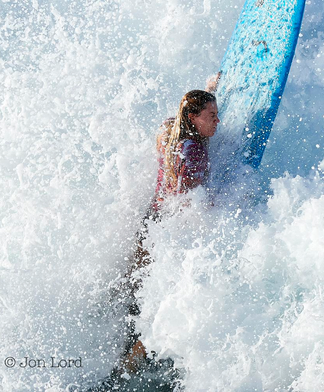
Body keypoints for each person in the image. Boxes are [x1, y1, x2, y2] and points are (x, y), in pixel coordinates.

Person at [121, 88, 220, 374]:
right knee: (155, 307)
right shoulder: (192, 153)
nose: (218, 121)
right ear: (194, 117)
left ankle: (122, 355)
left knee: (135, 302)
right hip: (162, 234)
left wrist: (210, 89)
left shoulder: (171, 128)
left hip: (148, 225)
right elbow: (185, 202)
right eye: (211, 116)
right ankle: (126, 371)